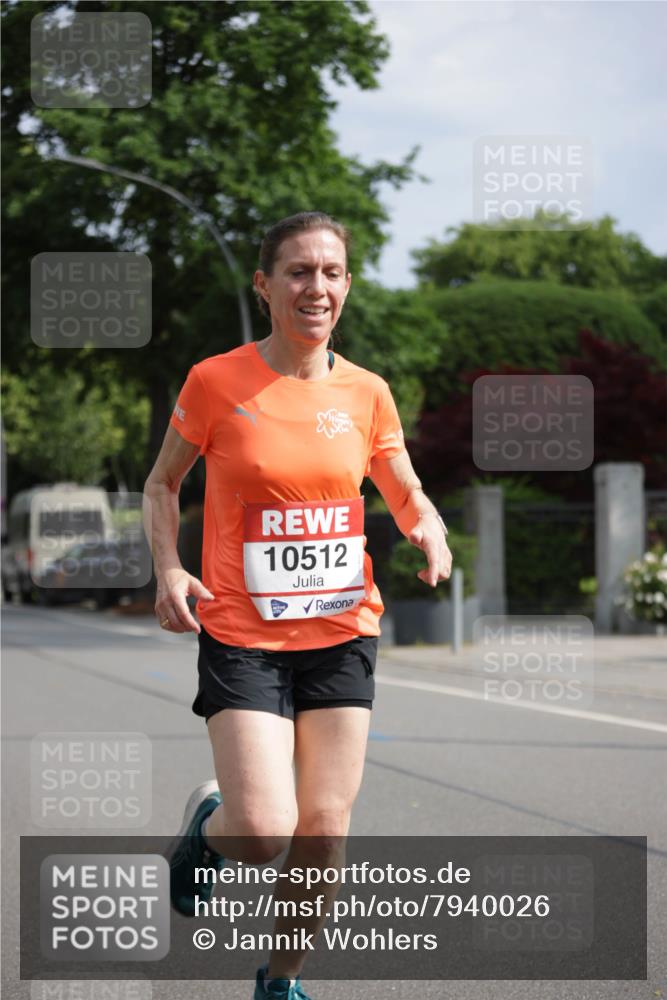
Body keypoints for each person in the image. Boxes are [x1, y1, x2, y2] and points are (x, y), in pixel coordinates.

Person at [143, 211, 452, 1000]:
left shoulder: (367, 393)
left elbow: (401, 485)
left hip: (342, 630)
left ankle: (278, 984)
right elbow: (161, 484)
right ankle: (208, 835)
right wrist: (169, 567)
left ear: (346, 285)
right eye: (298, 272)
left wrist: (426, 525)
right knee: (260, 832)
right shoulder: (216, 380)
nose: (316, 287)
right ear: (265, 284)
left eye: (331, 272)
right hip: (243, 633)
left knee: (322, 829)